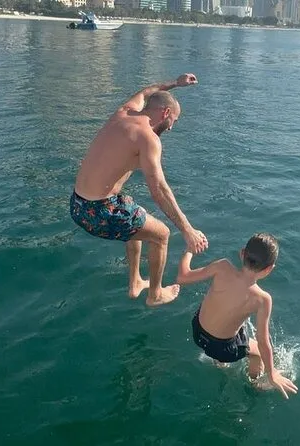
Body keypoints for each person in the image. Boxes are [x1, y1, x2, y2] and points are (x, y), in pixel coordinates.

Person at [70, 74, 208, 307]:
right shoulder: (148, 139)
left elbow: (146, 92)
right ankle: (155, 294)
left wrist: (176, 83)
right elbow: (159, 190)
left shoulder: (124, 112)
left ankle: (135, 282)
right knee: (162, 235)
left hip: (77, 203)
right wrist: (188, 230)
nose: (171, 127)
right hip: (98, 212)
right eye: (173, 120)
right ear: (165, 113)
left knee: (133, 210)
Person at [176, 233, 299, 399]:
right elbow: (263, 342)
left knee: (231, 318)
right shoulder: (262, 299)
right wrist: (272, 374)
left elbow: (182, 277)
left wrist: (189, 250)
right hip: (223, 349)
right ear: (269, 269)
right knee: (258, 354)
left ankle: (220, 363)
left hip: (198, 332)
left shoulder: (222, 266)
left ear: (242, 254)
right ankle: (255, 384)